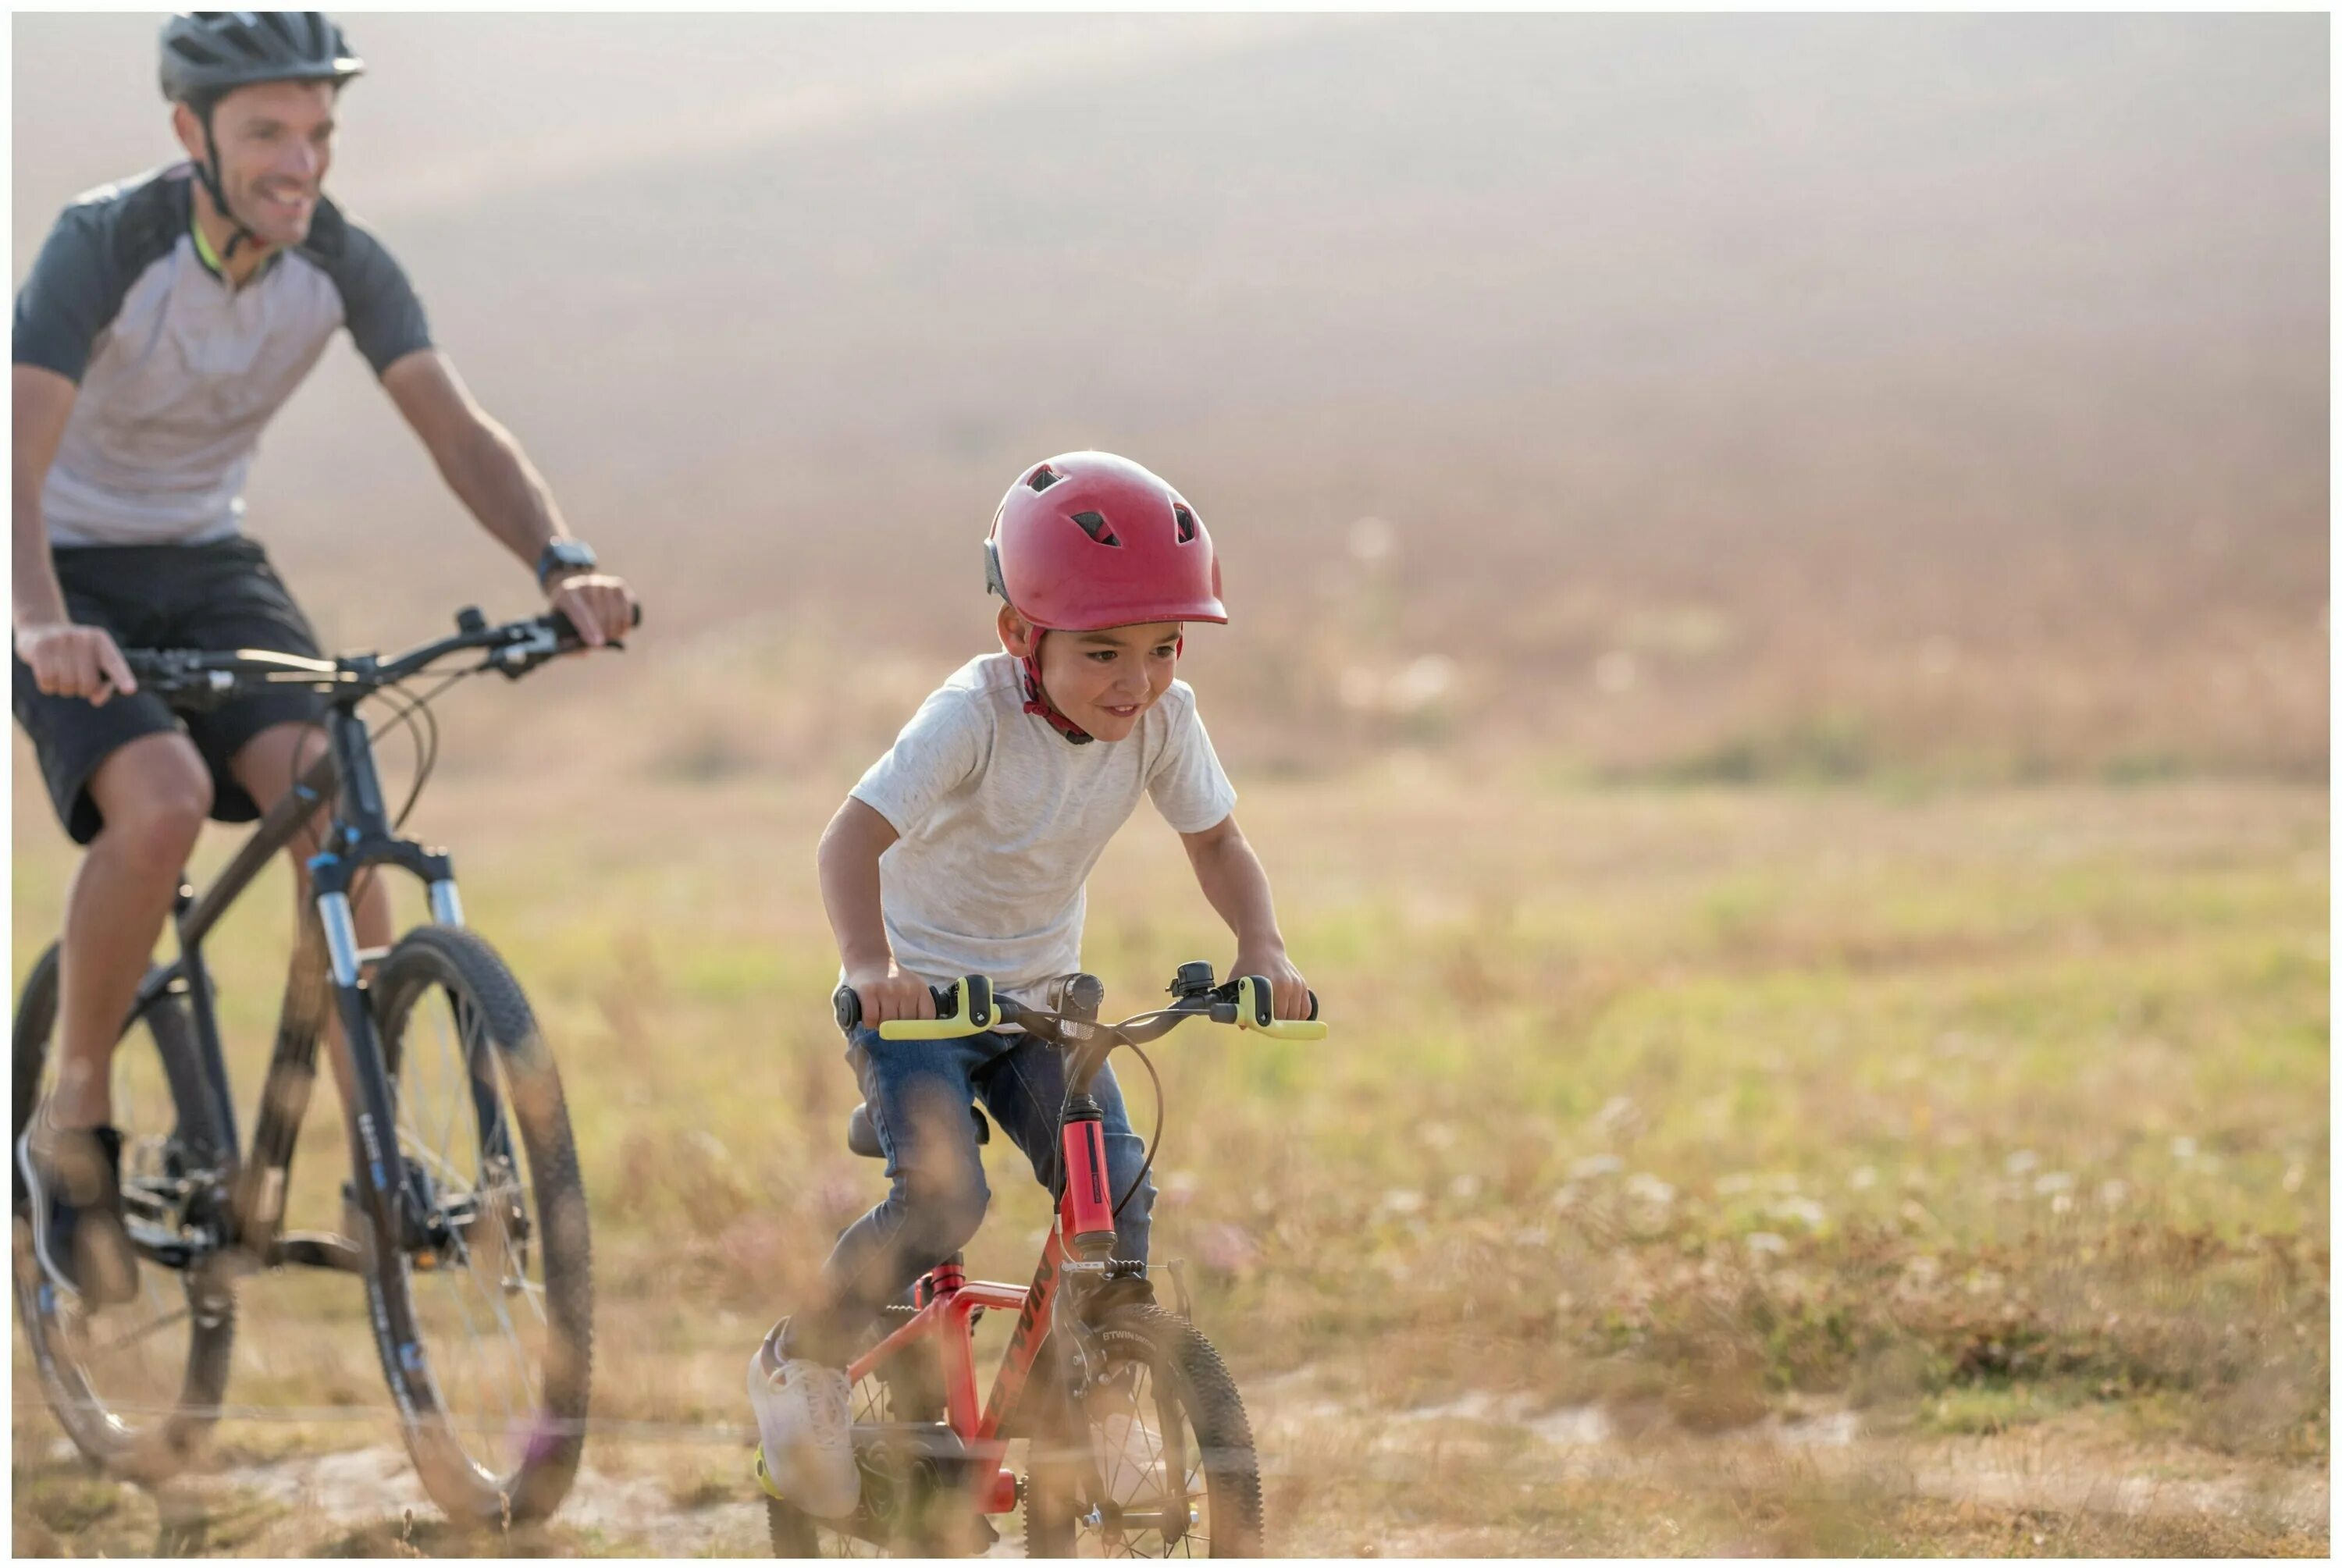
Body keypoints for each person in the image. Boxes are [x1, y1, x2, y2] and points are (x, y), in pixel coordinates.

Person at [12, 11, 636, 1304]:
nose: (300, 162)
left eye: (318, 132)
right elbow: (16, 453)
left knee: (333, 792)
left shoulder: (337, 259)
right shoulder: (105, 243)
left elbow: (458, 430)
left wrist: (560, 561)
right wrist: (37, 620)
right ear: (190, 134)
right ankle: (72, 1118)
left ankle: (379, 1163)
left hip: (207, 561)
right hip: (57, 559)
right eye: (267, 133)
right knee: (163, 802)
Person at [751, 450, 1312, 1516]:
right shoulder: (971, 716)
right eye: (1102, 651)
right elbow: (848, 840)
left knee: (1119, 1196)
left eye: (1162, 647)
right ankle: (802, 1356)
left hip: (1042, 1004)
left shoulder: (1164, 719)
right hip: (923, 1009)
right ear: (1020, 634)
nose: (1136, 681)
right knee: (945, 1200)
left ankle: (1095, 1393)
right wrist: (872, 968)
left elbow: (1218, 841)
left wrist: (1263, 946)